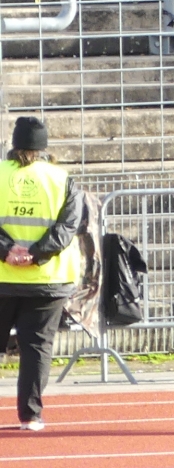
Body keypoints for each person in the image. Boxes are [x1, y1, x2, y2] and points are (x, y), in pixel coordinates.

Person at [0, 116, 82, 433]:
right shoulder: (61, 179)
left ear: (13, 144)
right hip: (48, 280)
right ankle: (30, 416)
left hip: (2, 279)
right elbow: (68, 228)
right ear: (44, 147)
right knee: (36, 348)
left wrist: (7, 251)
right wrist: (35, 254)